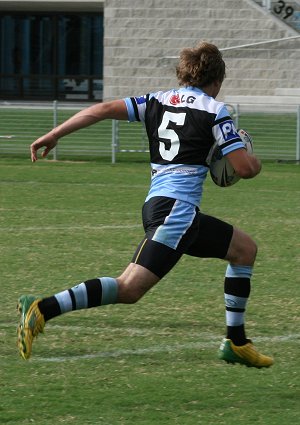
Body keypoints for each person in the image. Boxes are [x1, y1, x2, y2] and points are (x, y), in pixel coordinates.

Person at [18, 41, 274, 368]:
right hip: (175, 213)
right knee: (129, 288)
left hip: (167, 207)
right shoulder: (215, 111)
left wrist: (55, 134)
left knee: (244, 249)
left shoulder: (155, 101)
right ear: (218, 79)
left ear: (184, 74)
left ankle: (236, 342)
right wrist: (253, 158)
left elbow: (100, 110)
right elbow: (244, 169)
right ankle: (41, 307)